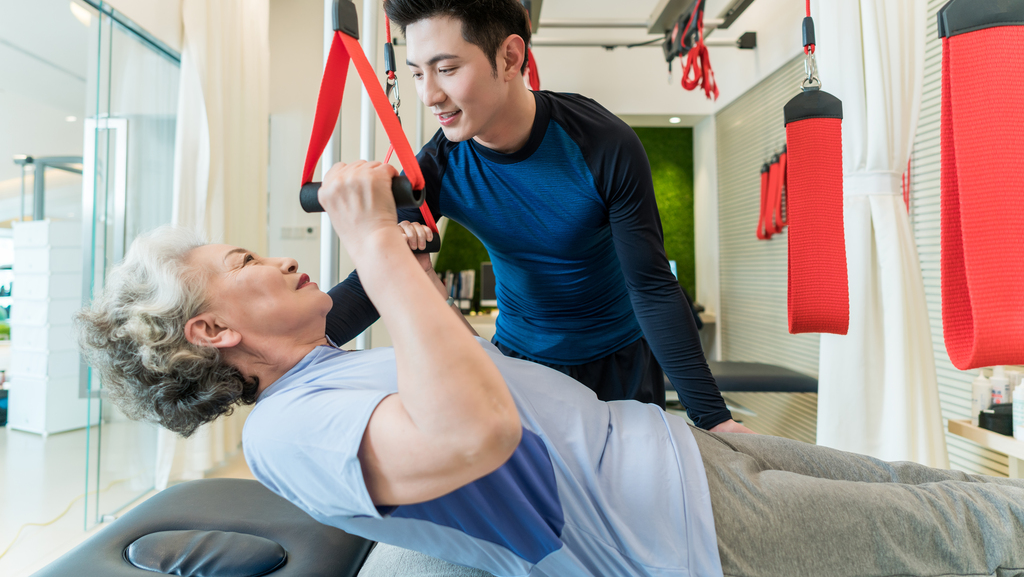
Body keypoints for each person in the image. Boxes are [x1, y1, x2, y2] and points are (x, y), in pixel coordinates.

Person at [77, 161, 1024, 577]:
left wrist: (389, 258)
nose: (280, 260)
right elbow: (472, 432)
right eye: (245, 263)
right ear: (208, 331)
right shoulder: (289, 431)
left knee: (925, 484)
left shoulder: (322, 371)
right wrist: (378, 248)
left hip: (684, 453)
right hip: (682, 530)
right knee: (967, 526)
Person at [327, 0, 749, 433]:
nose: (428, 95)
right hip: (520, 364)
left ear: (508, 57)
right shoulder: (436, 167)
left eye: (446, 69)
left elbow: (651, 285)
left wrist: (714, 418)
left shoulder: (603, 144)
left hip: (622, 360)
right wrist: (294, 346)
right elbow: (378, 276)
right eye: (418, 72)